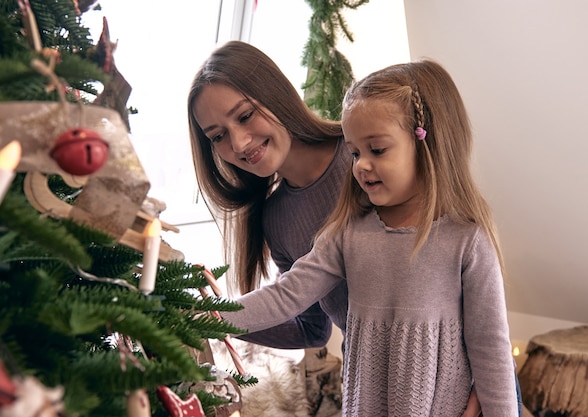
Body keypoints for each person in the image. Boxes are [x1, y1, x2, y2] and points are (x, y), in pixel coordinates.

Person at [188, 40, 493, 416]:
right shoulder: (278, 218)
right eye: (217, 136)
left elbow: (472, 282)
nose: (238, 142)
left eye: (246, 115)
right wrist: (214, 321)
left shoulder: (373, 153)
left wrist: (488, 387)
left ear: (275, 95)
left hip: (454, 387)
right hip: (374, 389)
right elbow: (308, 323)